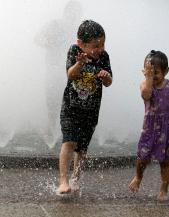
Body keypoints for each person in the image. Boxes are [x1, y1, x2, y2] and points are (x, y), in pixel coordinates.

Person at [57, 20, 113, 194]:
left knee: (82, 149)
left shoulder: (103, 57)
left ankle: (75, 179)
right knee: (69, 142)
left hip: (91, 110)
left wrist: (105, 77)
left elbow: (109, 82)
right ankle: (63, 181)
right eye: (95, 46)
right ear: (80, 43)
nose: (100, 49)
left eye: (102, 44)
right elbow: (71, 74)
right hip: (71, 108)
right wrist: (80, 63)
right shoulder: (74, 51)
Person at [128, 50, 169, 201]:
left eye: (156, 73)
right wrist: (148, 78)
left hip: (167, 129)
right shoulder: (145, 85)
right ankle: (138, 177)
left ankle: (163, 189)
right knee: (143, 157)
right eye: (148, 72)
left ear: (166, 71)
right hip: (149, 128)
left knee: (165, 161)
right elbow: (146, 95)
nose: (152, 76)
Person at [34, 1, 83, 145]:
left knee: (72, 101)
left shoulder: (80, 29)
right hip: (54, 67)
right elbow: (37, 38)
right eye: (72, 12)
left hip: (72, 70)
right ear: (66, 12)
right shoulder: (55, 25)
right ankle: (51, 129)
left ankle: (68, 132)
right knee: (52, 100)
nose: (74, 16)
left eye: (77, 13)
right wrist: (50, 43)